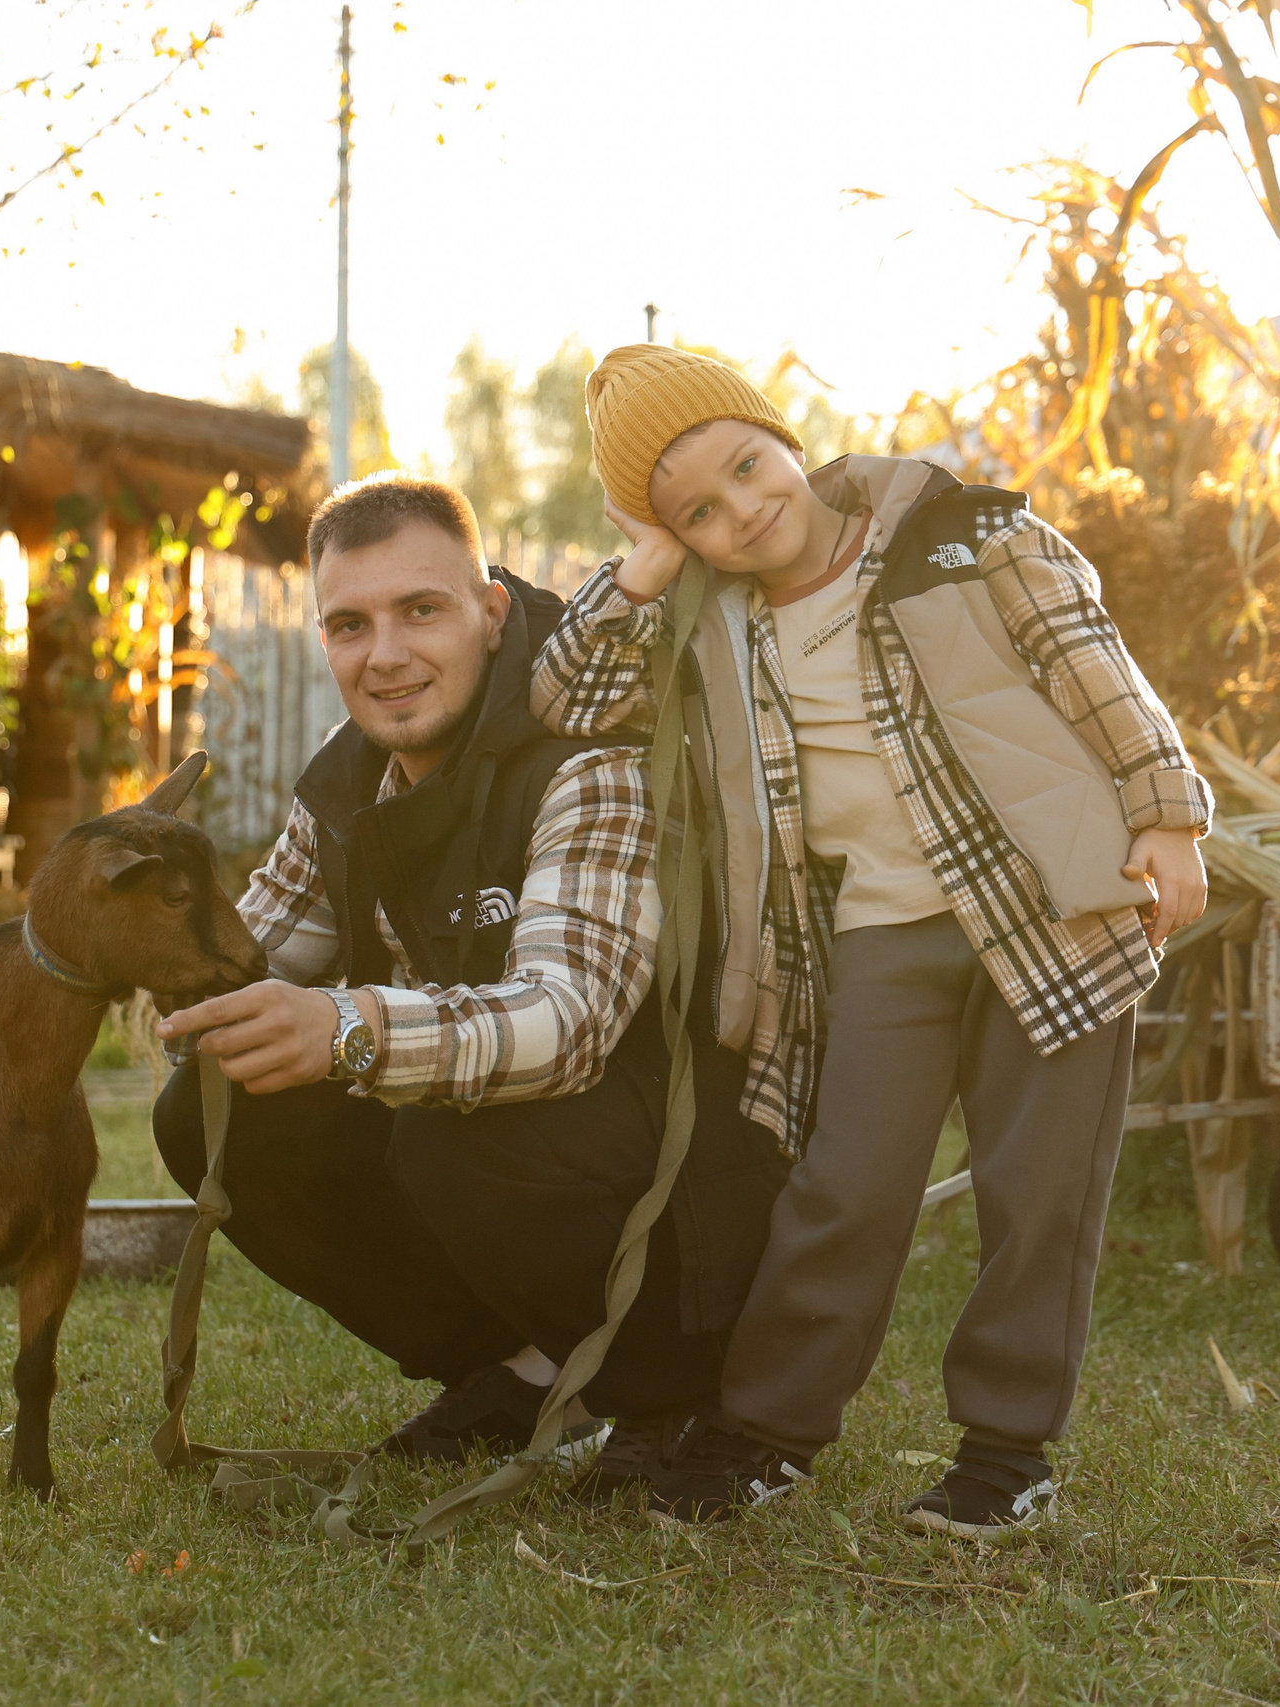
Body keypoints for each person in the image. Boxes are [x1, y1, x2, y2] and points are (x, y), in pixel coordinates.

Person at [532, 345, 1211, 1537]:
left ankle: (1005, 1454)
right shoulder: (708, 622)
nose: (743, 511)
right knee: (843, 1186)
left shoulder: (962, 536)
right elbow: (564, 702)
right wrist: (640, 570)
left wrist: (1165, 817)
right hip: (883, 932)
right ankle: (768, 1431)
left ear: (785, 440)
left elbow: (1093, 665)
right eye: (698, 512)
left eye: (747, 467)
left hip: (1054, 903)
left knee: (1038, 1192)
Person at [149, 473, 787, 1461]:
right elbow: (245, 962)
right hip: (520, 1159)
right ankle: (524, 1375)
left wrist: (351, 1027)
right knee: (210, 1106)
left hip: (688, 1184)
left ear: (490, 613)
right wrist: (126, 938)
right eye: (350, 625)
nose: (385, 656)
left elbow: (567, 1023)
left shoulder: (587, 749)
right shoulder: (347, 775)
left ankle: (676, 1386)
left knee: (449, 1133)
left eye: (421, 611)